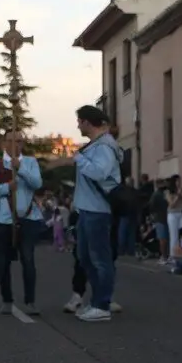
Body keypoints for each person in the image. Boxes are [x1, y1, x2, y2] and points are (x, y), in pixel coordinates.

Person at [0, 130, 44, 315]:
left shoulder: (31, 163)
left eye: (19, 141)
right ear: (4, 144)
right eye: (11, 141)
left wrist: (21, 168)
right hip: (3, 220)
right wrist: (6, 187)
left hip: (28, 218)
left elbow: (37, 184)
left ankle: (30, 301)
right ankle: (7, 299)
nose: (15, 145)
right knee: (3, 261)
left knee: (28, 259)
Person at [72, 105, 123, 322]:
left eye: (79, 121)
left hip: (97, 211)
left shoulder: (104, 146)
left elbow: (100, 172)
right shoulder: (96, 145)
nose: (77, 125)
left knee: (100, 259)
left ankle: (102, 305)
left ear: (87, 122)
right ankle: (97, 301)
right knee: (85, 257)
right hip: (87, 209)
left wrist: (79, 159)